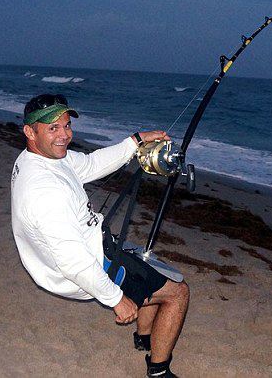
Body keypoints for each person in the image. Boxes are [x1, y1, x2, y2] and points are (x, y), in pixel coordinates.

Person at [11, 94, 189, 377]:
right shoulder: (45, 191)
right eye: (53, 128)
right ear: (30, 132)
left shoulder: (42, 158)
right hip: (88, 264)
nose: (64, 135)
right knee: (178, 293)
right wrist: (116, 299)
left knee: (147, 266)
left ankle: (144, 338)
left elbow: (92, 164)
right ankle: (158, 370)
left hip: (90, 243)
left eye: (67, 125)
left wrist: (135, 141)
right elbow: (73, 262)